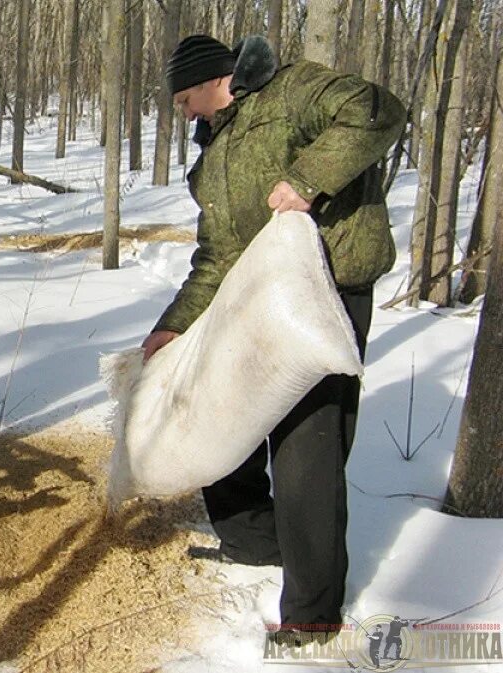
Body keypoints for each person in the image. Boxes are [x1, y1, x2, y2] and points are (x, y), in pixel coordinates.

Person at [145, 34, 405, 641]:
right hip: (258, 298)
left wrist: (308, 180)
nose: (184, 113)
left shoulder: (290, 92)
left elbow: (380, 110)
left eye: (186, 98)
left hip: (327, 293)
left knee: (305, 453)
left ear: (216, 80)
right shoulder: (214, 153)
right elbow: (216, 255)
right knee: (216, 418)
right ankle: (255, 542)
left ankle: (312, 618)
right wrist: (173, 326)